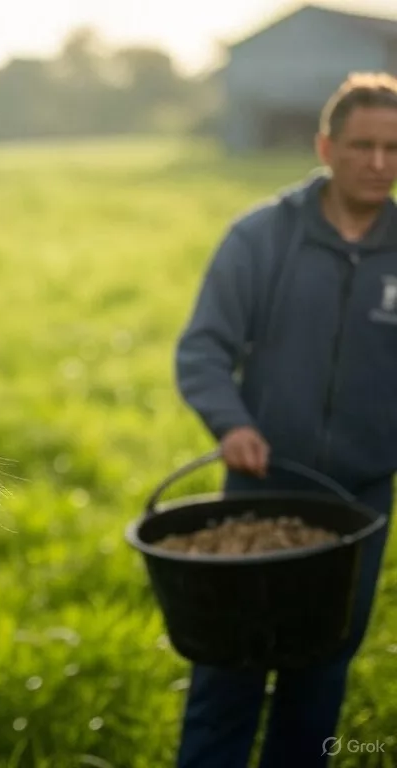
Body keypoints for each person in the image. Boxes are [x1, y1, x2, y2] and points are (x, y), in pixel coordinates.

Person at [173, 71, 397, 767]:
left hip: (359, 506)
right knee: (232, 669)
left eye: (394, 148)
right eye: (362, 145)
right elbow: (203, 347)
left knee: (322, 672)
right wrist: (231, 422)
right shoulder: (262, 237)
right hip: (259, 493)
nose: (379, 163)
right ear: (326, 146)